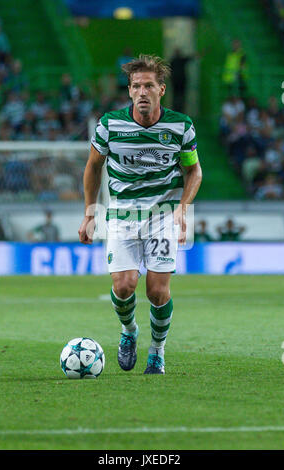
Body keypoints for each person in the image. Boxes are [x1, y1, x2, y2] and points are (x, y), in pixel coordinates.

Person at [78, 54, 202, 375]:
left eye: (149, 85)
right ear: (130, 91)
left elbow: (194, 172)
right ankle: (129, 331)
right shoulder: (109, 125)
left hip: (162, 214)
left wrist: (182, 210)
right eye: (136, 86)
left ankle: (157, 351)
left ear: (161, 89)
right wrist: (90, 213)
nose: (142, 92)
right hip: (121, 214)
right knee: (124, 286)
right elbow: (93, 167)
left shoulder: (181, 127)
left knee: (158, 292)